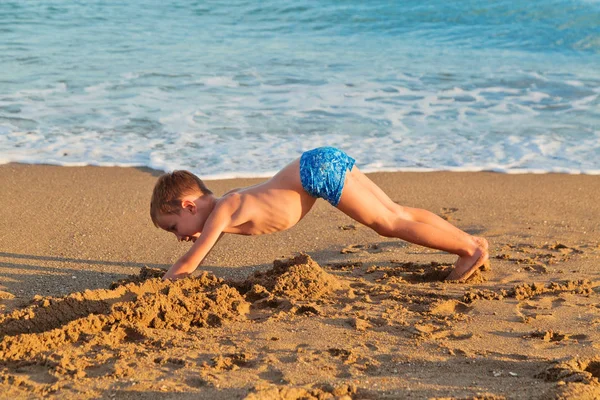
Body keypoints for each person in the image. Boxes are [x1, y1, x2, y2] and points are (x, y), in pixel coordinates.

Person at [150, 147, 489, 281]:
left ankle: (468, 250)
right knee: (396, 212)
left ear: (189, 206)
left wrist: (164, 284)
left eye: (174, 228)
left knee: (389, 223)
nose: (180, 236)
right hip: (318, 161)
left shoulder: (224, 209)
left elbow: (192, 260)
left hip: (316, 174)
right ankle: (469, 241)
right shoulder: (229, 201)